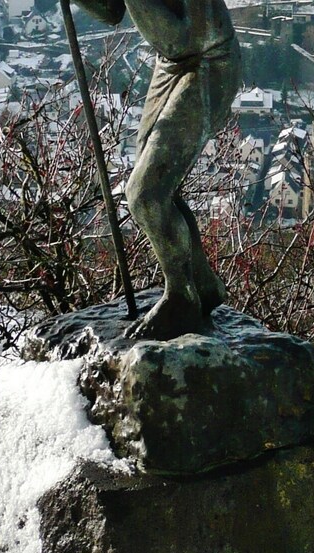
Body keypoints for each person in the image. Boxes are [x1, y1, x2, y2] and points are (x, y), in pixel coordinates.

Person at [72, 0, 241, 340]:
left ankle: (180, 296)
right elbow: (111, 10)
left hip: (208, 61)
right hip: (173, 65)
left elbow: (180, 39)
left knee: (146, 193)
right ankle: (203, 285)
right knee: (160, 188)